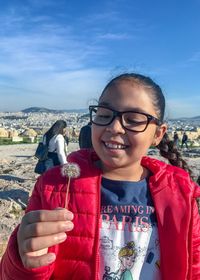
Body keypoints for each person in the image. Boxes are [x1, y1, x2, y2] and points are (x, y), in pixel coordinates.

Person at [1, 73, 200, 280]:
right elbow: (16, 272)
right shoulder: (54, 186)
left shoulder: (180, 195)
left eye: (133, 120)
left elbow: (193, 268)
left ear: (158, 134)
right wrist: (22, 257)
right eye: (104, 115)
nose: (114, 127)